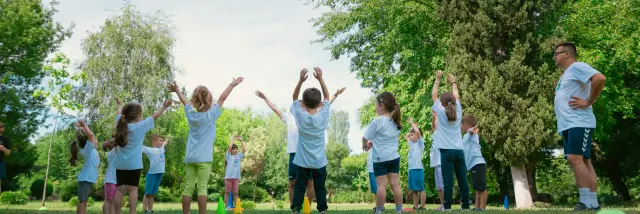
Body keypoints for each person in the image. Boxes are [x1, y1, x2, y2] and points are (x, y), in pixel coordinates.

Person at [255, 86, 345, 205]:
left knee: (309, 182)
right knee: (293, 182)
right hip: (294, 153)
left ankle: (307, 206)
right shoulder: (289, 117)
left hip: (308, 153)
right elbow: (275, 108)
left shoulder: (312, 115)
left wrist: (336, 94)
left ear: (304, 103)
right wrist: (265, 98)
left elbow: (324, 103)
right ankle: (294, 206)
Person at [168, 78, 243, 214]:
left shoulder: (191, 115)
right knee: (202, 187)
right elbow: (222, 98)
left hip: (191, 157)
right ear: (209, 100)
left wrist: (177, 90)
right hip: (204, 158)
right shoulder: (211, 114)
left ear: (195, 100)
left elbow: (185, 102)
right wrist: (232, 84)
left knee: (188, 187)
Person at [553, 42, 606, 211]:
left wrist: (589, 101)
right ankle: (593, 203)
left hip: (579, 122)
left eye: (557, 53)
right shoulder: (565, 74)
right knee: (583, 160)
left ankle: (585, 201)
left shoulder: (577, 66)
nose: (554, 57)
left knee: (574, 158)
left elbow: (600, 78)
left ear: (567, 54)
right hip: (568, 124)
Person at [106, 96, 172, 214]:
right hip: (134, 165)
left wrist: (119, 105)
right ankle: (132, 212)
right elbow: (155, 116)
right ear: (138, 116)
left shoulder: (120, 124)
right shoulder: (141, 126)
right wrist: (164, 107)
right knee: (133, 190)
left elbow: (118, 114)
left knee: (119, 190)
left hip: (120, 164)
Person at [289, 67, 331, 214]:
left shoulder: (300, 116)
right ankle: (322, 210)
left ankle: (296, 209)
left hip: (303, 160)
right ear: (319, 104)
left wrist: (300, 80)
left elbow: (294, 98)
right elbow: (327, 96)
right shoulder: (323, 116)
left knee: (300, 185)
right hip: (319, 160)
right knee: (320, 186)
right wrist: (320, 78)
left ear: (303, 104)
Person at [430, 70, 470, 211]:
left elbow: (433, 95)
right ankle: (465, 206)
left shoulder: (440, 112)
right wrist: (453, 82)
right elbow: (457, 97)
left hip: (446, 151)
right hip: (459, 150)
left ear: (442, 103)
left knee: (447, 181)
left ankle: (447, 207)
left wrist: (437, 79)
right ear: (453, 101)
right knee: (462, 180)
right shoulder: (458, 111)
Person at [362, 92, 403, 214]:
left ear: (381, 105)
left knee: (381, 186)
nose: (375, 107)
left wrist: (364, 144)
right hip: (394, 157)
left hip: (380, 159)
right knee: (395, 184)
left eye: (375, 105)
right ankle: (399, 209)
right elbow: (385, 138)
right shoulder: (395, 121)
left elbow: (365, 137)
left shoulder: (377, 121)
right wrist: (373, 142)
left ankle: (379, 210)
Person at [69, 120, 100, 214]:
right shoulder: (88, 150)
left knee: (84, 201)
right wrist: (85, 125)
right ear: (89, 142)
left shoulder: (91, 150)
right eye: (95, 139)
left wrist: (81, 128)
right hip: (85, 178)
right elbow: (90, 135)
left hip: (88, 178)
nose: (96, 140)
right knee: (82, 201)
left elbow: (88, 136)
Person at [461, 116, 487, 211]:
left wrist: (471, 129)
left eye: (461, 125)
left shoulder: (471, 134)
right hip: (473, 165)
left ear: (466, 125)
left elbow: (471, 131)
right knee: (477, 188)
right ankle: (477, 207)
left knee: (482, 187)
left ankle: (482, 208)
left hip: (478, 163)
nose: (460, 127)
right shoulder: (465, 136)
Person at [142, 134, 169, 213]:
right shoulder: (150, 150)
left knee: (153, 194)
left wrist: (166, 140)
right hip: (152, 174)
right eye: (160, 140)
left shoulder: (161, 149)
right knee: (147, 193)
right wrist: (141, 139)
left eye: (162, 140)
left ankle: (150, 210)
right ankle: (145, 210)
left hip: (159, 174)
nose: (162, 142)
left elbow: (164, 143)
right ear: (154, 142)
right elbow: (140, 147)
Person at [406, 118, 426, 210]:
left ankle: (422, 206)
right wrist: (410, 131)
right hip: (411, 169)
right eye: (410, 135)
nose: (410, 136)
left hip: (418, 169)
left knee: (420, 189)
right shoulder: (411, 144)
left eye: (412, 135)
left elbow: (417, 133)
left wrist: (412, 124)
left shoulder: (420, 143)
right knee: (414, 190)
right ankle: (415, 206)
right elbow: (406, 137)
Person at [224, 135, 245, 209]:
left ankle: (237, 207)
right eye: (234, 149)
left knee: (235, 193)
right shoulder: (228, 156)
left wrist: (241, 141)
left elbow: (243, 149)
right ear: (231, 150)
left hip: (236, 178)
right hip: (228, 178)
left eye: (236, 149)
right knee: (227, 192)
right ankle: (225, 207)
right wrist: (232, 139)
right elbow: (229, 147)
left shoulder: (238, 156)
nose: (235, 150)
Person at [429, 111, 444, 210]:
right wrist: (434, 118)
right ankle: (442, 204)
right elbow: (433, 127)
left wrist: (437, 117)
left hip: (441, 163)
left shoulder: (442, 134)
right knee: (438, 186)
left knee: (443, 185)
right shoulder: (435, 135)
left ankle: (446, 205)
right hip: (436, 164)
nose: (435, 124)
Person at [102, 136, 118, 214]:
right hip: (110, 180)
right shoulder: (112, 153)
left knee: (113, 201)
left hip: (115, 180)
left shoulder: (116, 153)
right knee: (108, 200)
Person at [0, 122, 11, 193]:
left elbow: (8, 153)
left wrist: (3, 148)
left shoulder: (5, 139)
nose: (3, 128)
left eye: (3, 126)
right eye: (1, 126)